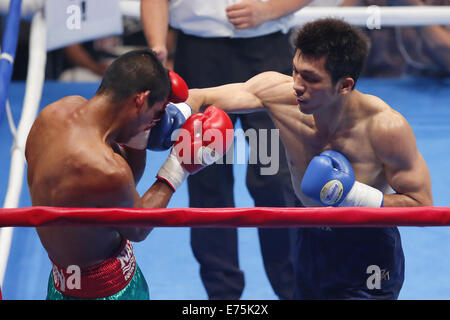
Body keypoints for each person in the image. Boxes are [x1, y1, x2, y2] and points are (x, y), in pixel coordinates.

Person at [187, 18, 434, 299]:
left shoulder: (385, 128)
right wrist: (184, 107)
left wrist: (350, 195)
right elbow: (203, 95)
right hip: (309, 240)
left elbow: (422, 205)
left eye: (311, 78)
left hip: (368, 249)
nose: (296, 85)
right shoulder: (278, 95)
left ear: (344, 85)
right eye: (295, 71)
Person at [25, 49, 233, 300]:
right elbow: (138, 227)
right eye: (156, 113)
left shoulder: (55, 113)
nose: (155, 123)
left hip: (63, 282)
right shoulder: (102, 167)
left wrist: (140, 133)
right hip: (107, 293)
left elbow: (114, 194)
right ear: (139, 100)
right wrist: (179, 164)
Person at [141, 0, 311, 300]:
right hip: (201, 57)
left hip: (265, 54)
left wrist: (268, 10)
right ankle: (222, 297)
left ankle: (293, 290)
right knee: (206, 176)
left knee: (274, 177)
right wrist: (157, 48)